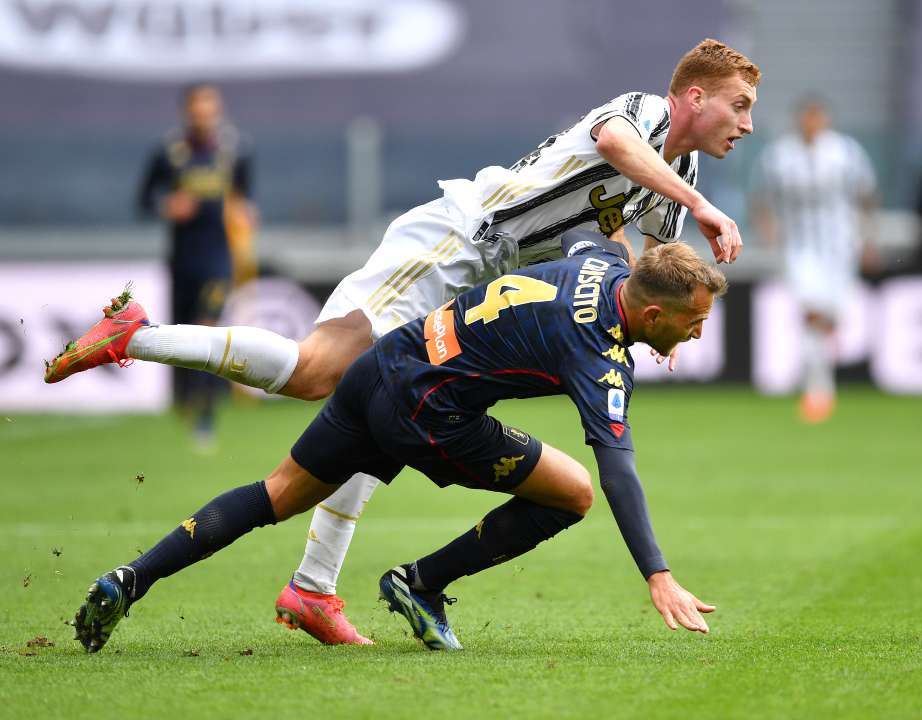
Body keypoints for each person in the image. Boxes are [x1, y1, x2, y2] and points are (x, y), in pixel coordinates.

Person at [49, 39, 759, 645]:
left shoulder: (679, 178)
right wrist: (700, 207)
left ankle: (314, 588)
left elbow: (623, 244)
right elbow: (611, 143)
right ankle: (137, 336)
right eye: (740, 106)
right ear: (695, 97)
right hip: (461, 241)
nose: (748, 124)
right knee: (318, 371)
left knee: (384, 405)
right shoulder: (645, 113)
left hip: (491, 271)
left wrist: (650, 319)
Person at [73, 239, 726, 654]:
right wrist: (658, 574)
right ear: (649, 315)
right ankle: (421, 584)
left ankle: (129, 579)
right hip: (431, 414)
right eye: (691, 322)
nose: (696, 334)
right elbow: (619, 471)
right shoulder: (600, 359)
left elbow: (598, 235)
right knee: (574, 492)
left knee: (274, 494)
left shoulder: (605, 266)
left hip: (386, 363)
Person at [136, 83, 255, 450]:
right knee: (183, 332)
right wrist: (167, 205)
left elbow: (244, 196)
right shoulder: (169, 153)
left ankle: (206, 417)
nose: (205, 112)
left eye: (211, 105)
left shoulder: (235, 151)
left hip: (218, 258)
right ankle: (185, 400)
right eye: (198, 106)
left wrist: (246, 210)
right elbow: (144, 199)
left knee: (208, 328)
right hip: (183, 258)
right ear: (188, 111)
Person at [750, 96, 877, 423]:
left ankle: (819, 376)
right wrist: (767, 229)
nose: (812, 123)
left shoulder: (845, 152)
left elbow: (866, 195)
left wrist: (869, 239)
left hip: (840, 245)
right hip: (799, 246)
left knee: (830, 318)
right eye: (807, 117)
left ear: (826, 120)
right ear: (799, 120)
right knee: (812, 312)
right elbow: (761, 195)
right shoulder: (780, 156)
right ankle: (819, 390)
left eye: (817, 117)